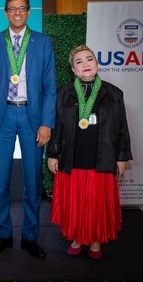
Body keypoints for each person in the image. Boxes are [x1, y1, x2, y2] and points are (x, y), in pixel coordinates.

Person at [0, 0, 56, 258]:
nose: (17, 13)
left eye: (21, 8)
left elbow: (49, 87)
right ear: (5, 13)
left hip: (32, 118)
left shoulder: (42, 42)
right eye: (12, 9)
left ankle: (30, 237)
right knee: (0, 181)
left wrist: (46, 123)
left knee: (32, 181)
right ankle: (2, 235)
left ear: (28, 12)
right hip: (2, 117)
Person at [47, 45, 132, 260]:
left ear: (97, 64)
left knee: (96, 203)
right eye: (79, 61)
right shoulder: (63, 93)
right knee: (76, 202)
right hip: (72, 157)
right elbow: (56, 126)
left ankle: (95, 240)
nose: (85, 64)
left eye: (89, 59)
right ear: (73, 70)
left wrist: (122, 158)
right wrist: (53, 154)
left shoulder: (113, 93)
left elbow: (122, 126)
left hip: (101, 157)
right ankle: (77, 237)